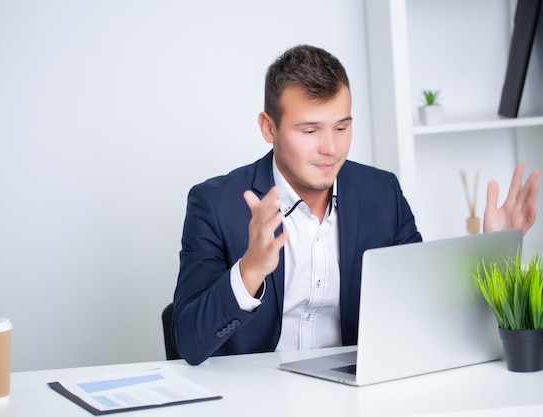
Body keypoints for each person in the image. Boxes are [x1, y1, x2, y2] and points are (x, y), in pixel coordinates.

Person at [171, 45, 540, 366]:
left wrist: (496, 251)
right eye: (310, 130)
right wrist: (250, 271)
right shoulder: (215, 204)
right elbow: (189, 343)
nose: (330, 148)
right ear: (269, 128)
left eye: (342, 128)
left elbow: (426, 310)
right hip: (258, 398)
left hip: (357, 391)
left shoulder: (382, 193)